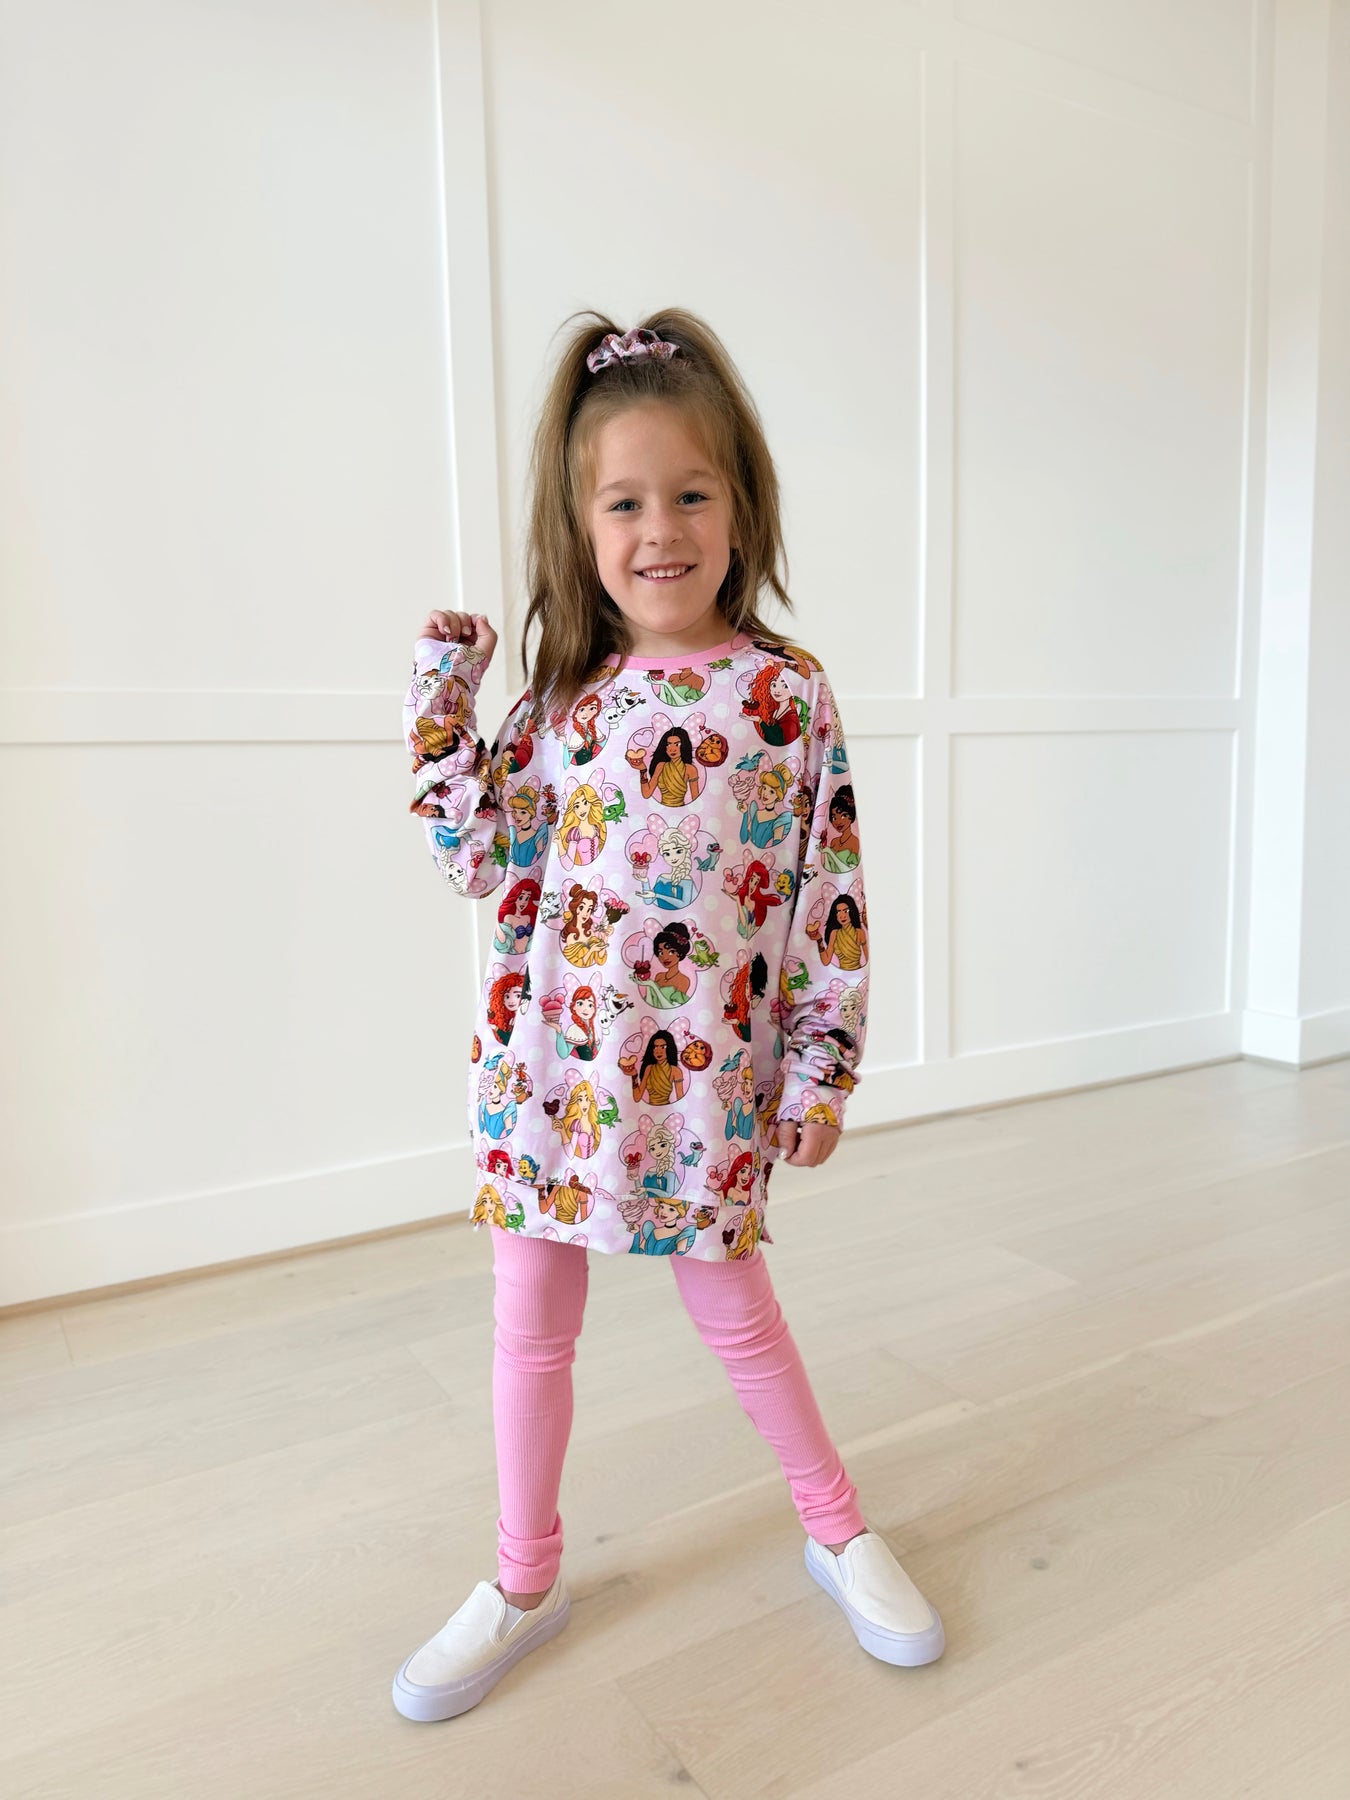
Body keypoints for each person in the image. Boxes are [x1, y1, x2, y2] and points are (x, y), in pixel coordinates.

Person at [391, 311, 944, 1726]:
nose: (660, 531)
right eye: (623, 503)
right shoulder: (558, 703)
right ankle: (524, 1577)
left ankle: (836, 1530)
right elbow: (472, 855)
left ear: (740, 505)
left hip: (702, 1091)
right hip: (546, 1077)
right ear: (578, 527)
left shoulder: (782, 696)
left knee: (737, 1314)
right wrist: (446, 695)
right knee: (530, 1326)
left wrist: (821, 1071)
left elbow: (827, 894)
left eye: (690, 494)